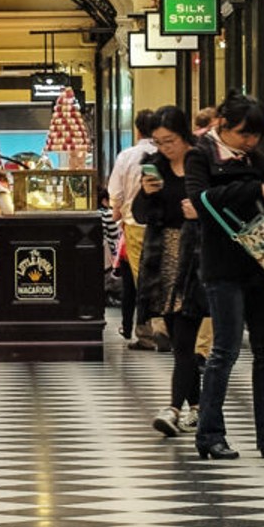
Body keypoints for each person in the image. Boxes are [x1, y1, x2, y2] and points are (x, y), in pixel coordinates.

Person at [190, 95, 264, 459]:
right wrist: (252, 189)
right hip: (223, 264)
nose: (250, 141)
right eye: (243, 134)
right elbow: (202, 200)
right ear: (222, 123)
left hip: (260, 262)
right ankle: (210, 433)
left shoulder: (256, 157)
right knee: (225, 349)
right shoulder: (201, 155)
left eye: (256, 135)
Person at [138, 116, 203, 436]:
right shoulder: (155, 166)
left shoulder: (200, 163)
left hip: (195, 259)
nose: (165, 149)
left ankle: (174, 408)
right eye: (159, 143)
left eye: (170, 142)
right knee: (179, 340)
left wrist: (200, 209)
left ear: (184, 136)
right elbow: (140, 214)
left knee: (184, 340)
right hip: (163, 262)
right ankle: (199, 408)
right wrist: (146, 192)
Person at [107, 107, 166, 347]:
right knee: (165, 273)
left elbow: (116, 193)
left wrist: (116, 209)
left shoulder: (127, 156)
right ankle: (167, 326)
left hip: (135, 224)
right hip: (165, 223)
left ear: (137, 129)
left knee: (142, 278)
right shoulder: (166, 154)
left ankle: (148, 332)